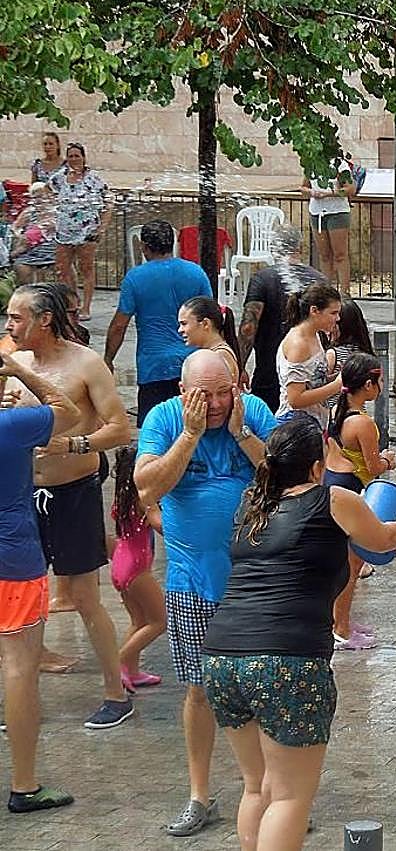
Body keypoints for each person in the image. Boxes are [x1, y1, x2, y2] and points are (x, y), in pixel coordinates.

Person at [203, 418, 396, 850]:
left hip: (222, 656)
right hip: (288, 661)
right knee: (289, 797)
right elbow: (382, 539)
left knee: (256, 787)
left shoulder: (252, 504)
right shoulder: (332, 499)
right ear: (317, 468)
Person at [135, 349, 276, 836]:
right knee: (200, 688)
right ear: (183, 392)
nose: (215, 404)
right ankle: (200, 794)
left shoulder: (250, 411)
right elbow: (146, 486)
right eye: (204, 395)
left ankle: (267, 792)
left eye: (223, 392)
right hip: (193, 582)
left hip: (256, 579)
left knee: (263, 685)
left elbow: (289, 474)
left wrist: (241, 433)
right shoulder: (166, 418)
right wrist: (191, 435)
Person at [5, 283, 134, 725]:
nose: (8, 325)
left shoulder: (85, 364)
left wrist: (73, 444)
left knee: (83, 597)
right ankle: (22, 688)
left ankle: (116, 692)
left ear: (44, 319)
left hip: (72, 493)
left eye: (17, 317)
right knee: (21, 592)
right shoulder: (15, 362)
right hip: (22, 496)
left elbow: (119, 429)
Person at [0, 351, 80, 814]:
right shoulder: (14, 427)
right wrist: (20, 371)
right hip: (13, 559)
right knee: (18, 668)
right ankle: (25, 784)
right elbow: (68, 411)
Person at [105, 219, 212, 426]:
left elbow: (119, 325)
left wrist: (108, 359)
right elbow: (211, 316)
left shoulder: (135, 278)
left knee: (154, 429)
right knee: (193, 425)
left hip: (154, 366)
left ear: (144, 247)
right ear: (172, 243)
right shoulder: (196, 273)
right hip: (192, 364)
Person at [323, 353, 395, 649]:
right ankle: (340, 628)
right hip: (351, 490)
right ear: (368, 385)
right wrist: (388, 461)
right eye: (379, 382)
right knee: (351, 566)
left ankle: (339, 620)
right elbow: (374, 466)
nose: (380, 387)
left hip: (332, 484)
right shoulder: (363, 423)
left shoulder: (336, 411)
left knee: (340, 564)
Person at [239, 225, 326, 412]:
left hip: (268, 374)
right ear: (300, 248)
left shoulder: (262, 279)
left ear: (274, 248)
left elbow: (248, 328)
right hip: (309, 378)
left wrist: (239, 366)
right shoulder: (319, 280)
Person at [109, 444, 167, 690]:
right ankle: (117, 663)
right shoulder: (144, 497)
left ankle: (130, 671)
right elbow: (161, 526)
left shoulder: (122, 495)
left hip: (120, 564)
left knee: (139, 620)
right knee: (159, 622)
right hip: (136, 568)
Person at [48, 142, 111, 320]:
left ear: (84, 157)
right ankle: (71, 303)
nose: (74, 159)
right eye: (70, 156)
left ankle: (86, 307)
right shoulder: (59, 178)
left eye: (77, 155)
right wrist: (49, 217)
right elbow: (45, 194)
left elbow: (109, 202)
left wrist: (102, 227)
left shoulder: (94, 178)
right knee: (63, 269)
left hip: (87, 231)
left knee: (86, 268)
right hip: (64, 231)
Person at [276, 282, 343, 428]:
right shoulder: (298, 344)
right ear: (314, 311)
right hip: (296, 424)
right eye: (333, 313)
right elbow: (295, 399)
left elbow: (311, 380)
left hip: (313, 420)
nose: (337, 318)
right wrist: (336, 385)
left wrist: (337, 377)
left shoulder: (315, 335)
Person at [300, 160, 356, 289]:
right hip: (317, 212)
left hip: (337, 211)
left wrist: (329, 193)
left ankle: (344, 291)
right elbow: (303, 187)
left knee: (340, 254)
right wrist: (311, 193)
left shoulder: (340, 164)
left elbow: (350, 189)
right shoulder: (311, 163)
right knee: (324, 255)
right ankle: (326, 289)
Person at [178, 296, 242, 385]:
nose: (180, 330)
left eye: (184, 324)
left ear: (205, 324)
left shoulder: (219, 356)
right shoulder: (217, 352)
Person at [10, 182, 59, 284]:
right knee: (20, 265)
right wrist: (21, 236)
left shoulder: (57, 212)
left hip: (53, 252)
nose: (38, 200)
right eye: (35, 197)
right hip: (31, 250)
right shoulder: (29, 212)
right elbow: (15, 227)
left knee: (62, 265)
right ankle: (28, 293)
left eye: (41, 196)